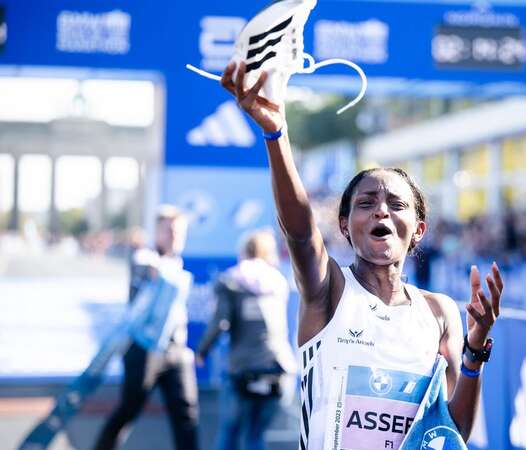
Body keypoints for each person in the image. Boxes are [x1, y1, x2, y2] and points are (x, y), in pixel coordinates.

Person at [220, 61, 503, 450]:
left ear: (418, 229)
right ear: (344, 225)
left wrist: (475, 351)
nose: (381, 211)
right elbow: (299, 232)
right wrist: (276, 133)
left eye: (396, 204)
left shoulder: (440, 313)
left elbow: (453, 432)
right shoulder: (329, 290)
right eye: (367, 203)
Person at [94, 205, 199, 450]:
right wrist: (156, 270)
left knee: (187, 415)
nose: (175, 236)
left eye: (179, 232)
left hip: (176, 351)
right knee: (128, 410)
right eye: (169, 231)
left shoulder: (179, 265)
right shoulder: (146, 260)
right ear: (157, 232)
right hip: (144, 350)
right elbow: (144, 270)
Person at [196, 229, 296, 450]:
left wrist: (201, 352)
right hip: (278, 369)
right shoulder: (277, 280)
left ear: (244, 250)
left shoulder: (232, 280)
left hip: (243, 369)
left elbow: (220, 323)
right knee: (256, 436)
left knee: (229, 434)